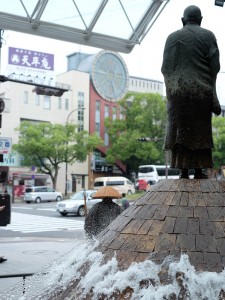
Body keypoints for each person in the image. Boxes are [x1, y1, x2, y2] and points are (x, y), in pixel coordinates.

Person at [161, 5, 221, 179]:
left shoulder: (172, 38)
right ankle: (199, 170)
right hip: (201, 92)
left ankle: (183, 170)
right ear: (201, 20)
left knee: (181, 132)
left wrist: (173, 92)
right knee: (201, 132)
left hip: (178, 93)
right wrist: (213, 92)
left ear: (183, 20)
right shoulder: (208, 36)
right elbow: (215, 67)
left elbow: (166, 68)